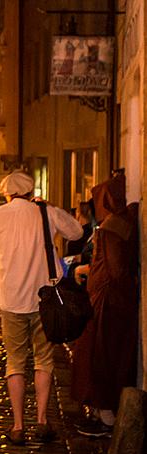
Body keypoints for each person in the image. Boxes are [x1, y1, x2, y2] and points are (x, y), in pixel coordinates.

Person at [0, 170, 82, 445]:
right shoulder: (45, 213)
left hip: (11, 298)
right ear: (31, 192)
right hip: (45, 300)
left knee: (15, 361)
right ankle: (41, 419)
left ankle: (17, 425)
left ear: (7, 193)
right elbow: (76, 230)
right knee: (44, 359)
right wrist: (48, 207)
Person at [72, 174, 138, 437]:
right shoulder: (119, 223)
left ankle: (106, 417)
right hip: (108, 301)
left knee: (100, 359)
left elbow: (116, 269)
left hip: (108, 304)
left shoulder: (112, 228)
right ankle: (101, 413)